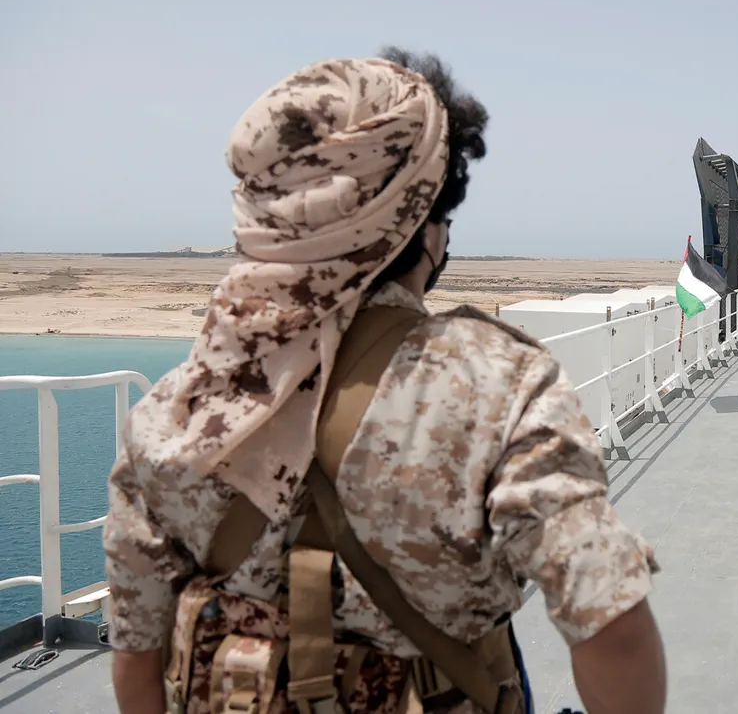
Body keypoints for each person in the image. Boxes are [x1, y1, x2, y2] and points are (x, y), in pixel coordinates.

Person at [102, 49, 667, 714]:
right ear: (421, 225)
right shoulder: (498, 385)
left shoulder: (172, 412)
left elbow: (137, 659)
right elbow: (612, 627)